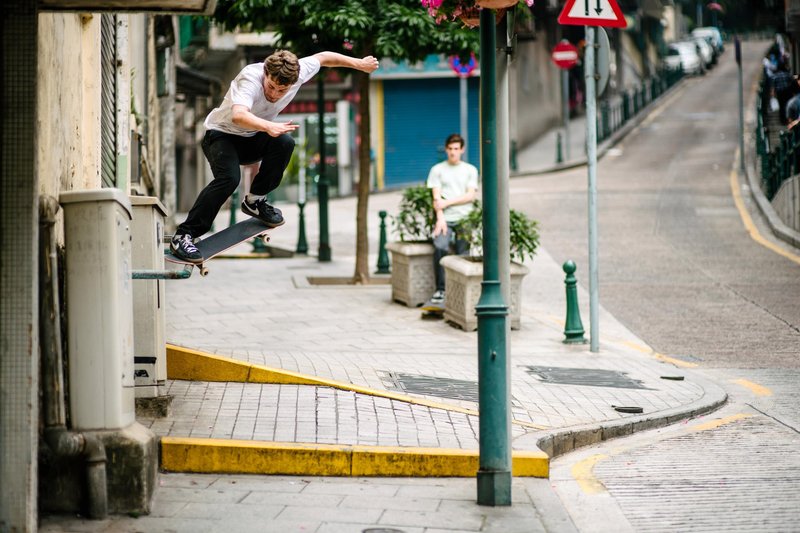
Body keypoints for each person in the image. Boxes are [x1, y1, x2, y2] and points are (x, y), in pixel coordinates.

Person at [170, 49, 380, 262]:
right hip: (220, 136)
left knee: (285, 142)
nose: (275, 94)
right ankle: (184, 235)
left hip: (251, 138)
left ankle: (255, 200)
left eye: (282, 90)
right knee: (229, 179)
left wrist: (359, 64)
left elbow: (324, 57)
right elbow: (239, 115)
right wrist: (268, 126)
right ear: (266, 73)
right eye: (271, 87)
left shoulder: (299, 72)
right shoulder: (251, 77)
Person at [426, 133, 479, 306]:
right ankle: (441, 290)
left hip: (465, 218)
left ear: (462, 150)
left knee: (463, 254)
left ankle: (461, 290)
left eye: (456, 149)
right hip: (445, 218)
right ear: (446, 149)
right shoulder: (437, 170)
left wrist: (447, 202)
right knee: (440, 245)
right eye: (450, 149)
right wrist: (440, 218)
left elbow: (470, 196)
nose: (453, 152)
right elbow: (436, 198)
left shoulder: (470, 170)